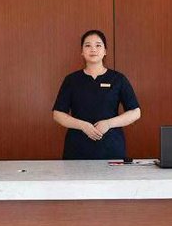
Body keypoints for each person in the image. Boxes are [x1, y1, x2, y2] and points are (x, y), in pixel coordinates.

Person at [52, 30, 141, 160]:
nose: (93, 49)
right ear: (82, 51)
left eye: (98, 45)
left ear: (105, 51)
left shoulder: (118, 79)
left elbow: (135, 112)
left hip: (111, 147)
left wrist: (109, 124)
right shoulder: (71, 80)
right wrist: (83, 126)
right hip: (77, 147)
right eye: (88, 45)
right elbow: (58, 114)